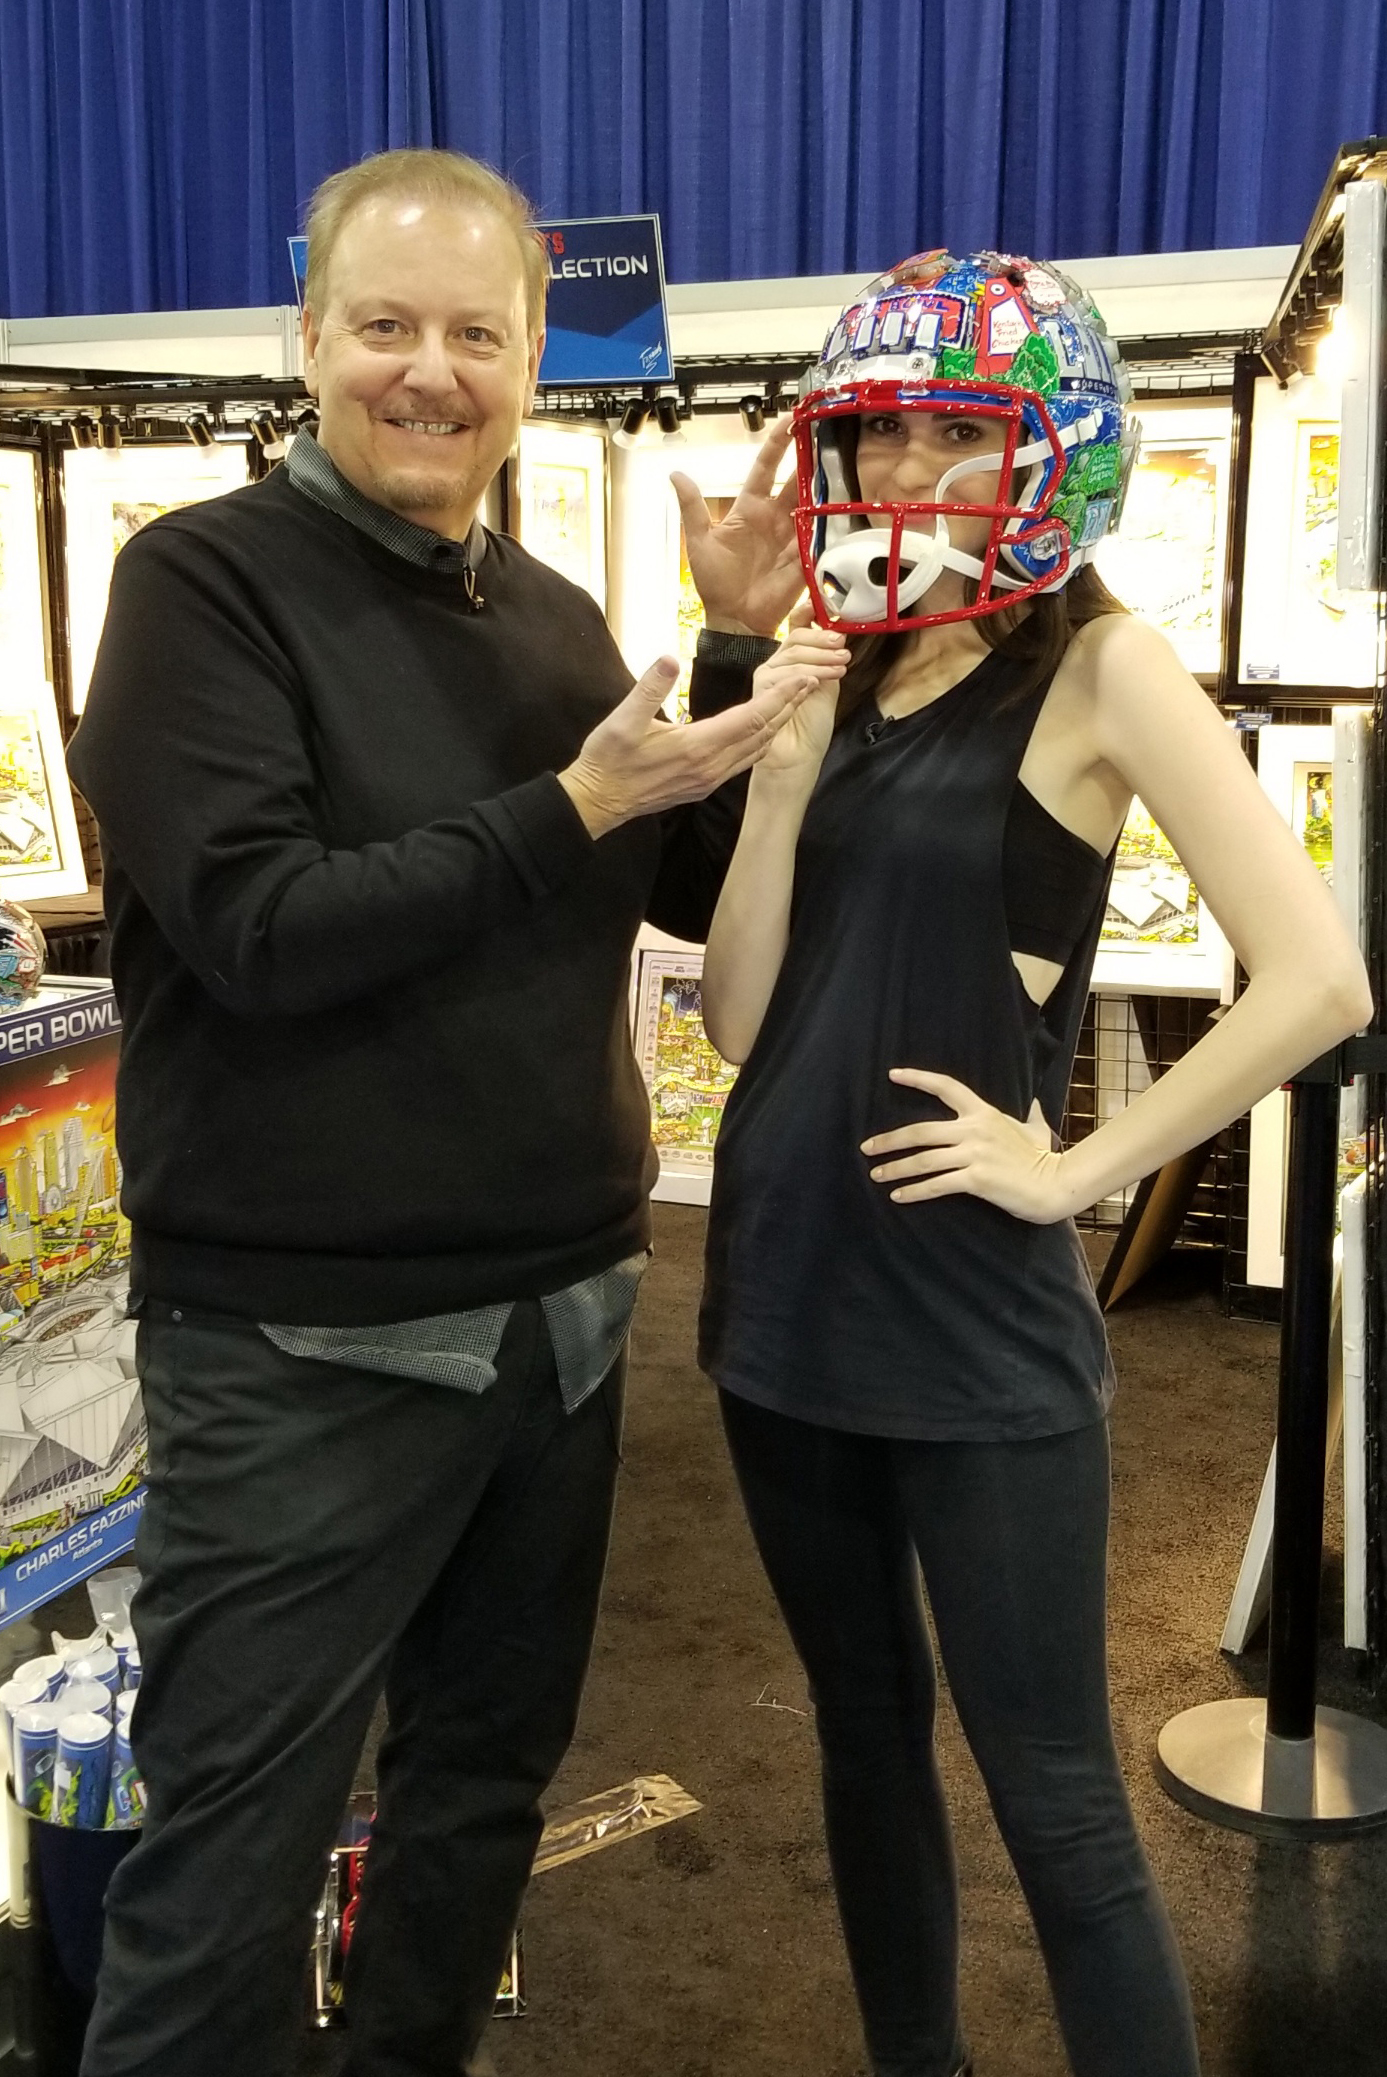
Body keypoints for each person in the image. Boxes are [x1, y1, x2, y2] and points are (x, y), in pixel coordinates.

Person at [65, 148, 832, 2077]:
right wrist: (570, 802)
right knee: (231, 1858)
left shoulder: (557, 615)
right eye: (386, 325)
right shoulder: (198, 587)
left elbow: (664, 882)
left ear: (532, 358)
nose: (433, 370)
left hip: (561, 1327)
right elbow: (258, 928)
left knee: (480, 1797)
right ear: (309, 340)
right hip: (303, 1346)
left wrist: (732, 655)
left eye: (476, 333)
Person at [682, 251, 1372, 2077]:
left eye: (948, 438)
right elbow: (741, 1022)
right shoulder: (847, 674)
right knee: (860, 1737)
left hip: (973, 1332)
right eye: (884, 433)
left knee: (1057, 1800)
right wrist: (770, 761)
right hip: (780, 1308)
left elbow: (1319, 977)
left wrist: (1082, 1170)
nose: (902, 475)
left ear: (1047, 457)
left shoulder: (1105, 667)